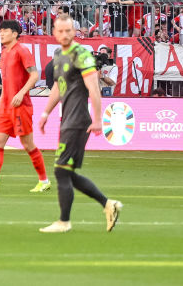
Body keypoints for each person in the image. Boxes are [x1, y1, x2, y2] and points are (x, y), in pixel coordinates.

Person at [37, 16, 122, 233]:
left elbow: (93, 88)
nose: (64, 35)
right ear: (54, 33)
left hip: (78, 121)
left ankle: (64, 222)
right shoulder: (58, 54)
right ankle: (108, 204)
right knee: (67, 173)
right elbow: (58, 85)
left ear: (74, 32)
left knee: (60, 171)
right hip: (67, 119)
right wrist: (46, 112)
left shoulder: (82, 54)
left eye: (68, 30)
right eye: (60, 31)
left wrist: (97, 118)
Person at [0, 20, 50, 193]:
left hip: (21, 106)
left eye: (5, 31)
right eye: (0, 31)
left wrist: (21, 92)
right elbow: (7, 81)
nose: (1, 34)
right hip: (6, 108)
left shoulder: (22, 51)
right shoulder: (4, 53)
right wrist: (1, 103)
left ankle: (44, 180)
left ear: (15, 33)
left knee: (28, 144)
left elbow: (34, 75)